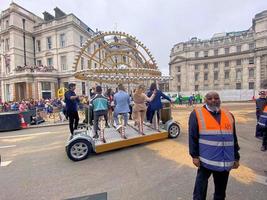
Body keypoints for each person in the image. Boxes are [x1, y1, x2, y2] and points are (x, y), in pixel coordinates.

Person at [189, 91, 240, 200]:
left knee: (220, 192)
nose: (213, 100)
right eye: (210, 98)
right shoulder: (197, 114)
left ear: (219, 99)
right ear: (205, 100)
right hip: (205, 160)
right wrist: (194, 156)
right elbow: (193, 136)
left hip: (224, 161)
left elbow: (233, 138)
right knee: (200, 189)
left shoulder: (228, 115)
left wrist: (236, 157)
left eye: (216, 98)